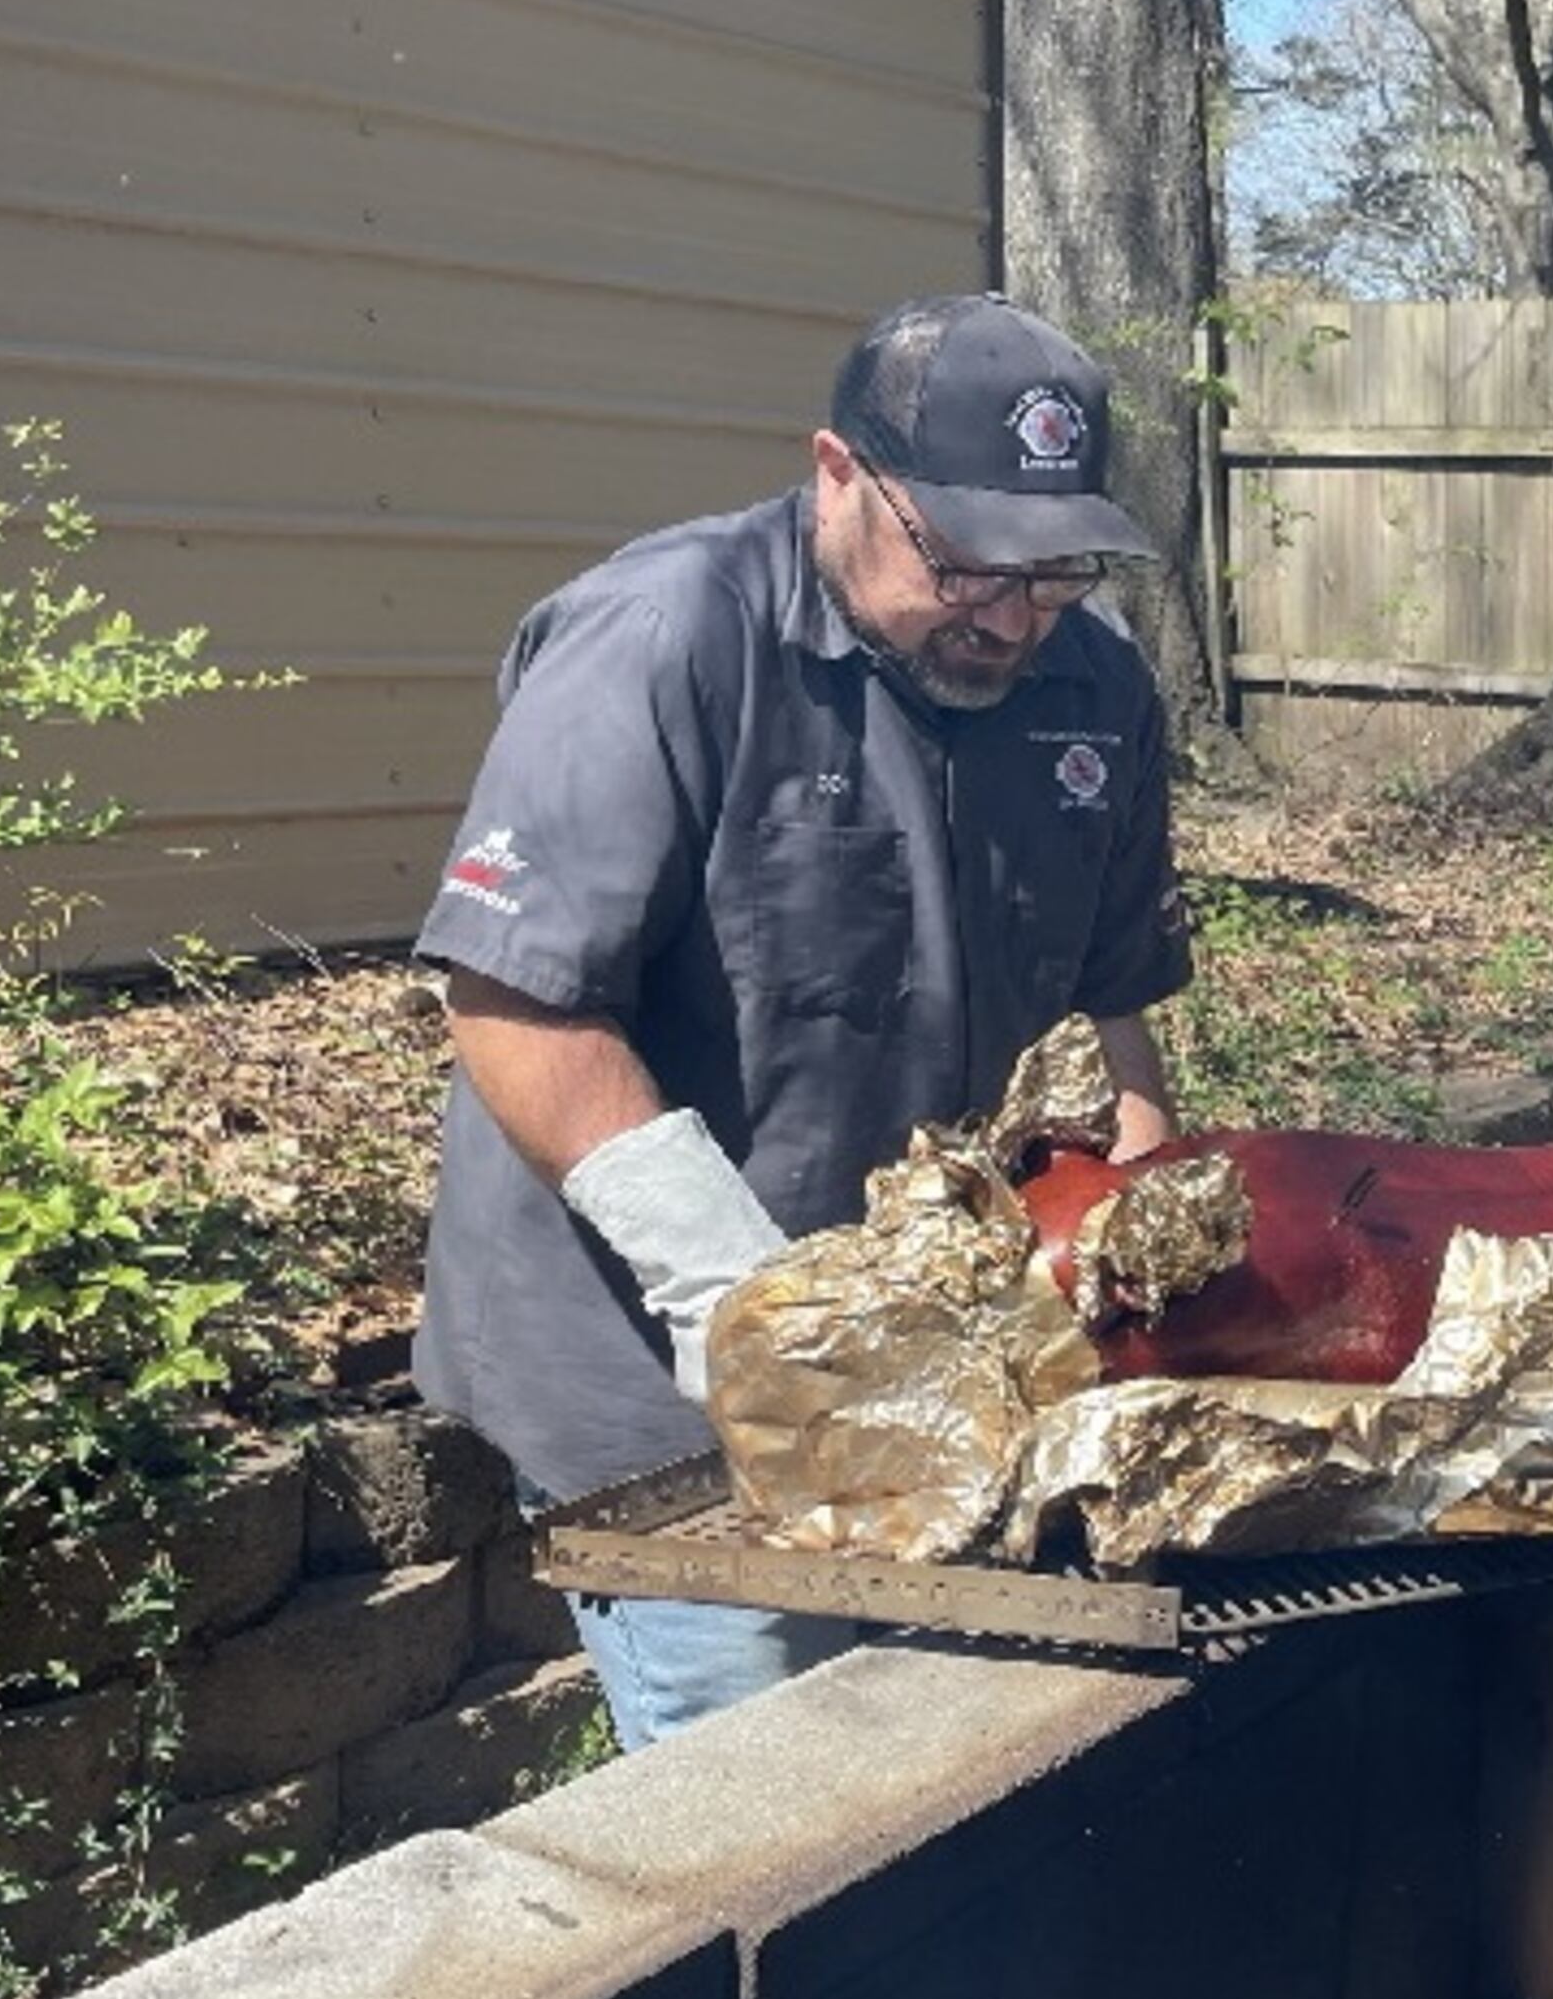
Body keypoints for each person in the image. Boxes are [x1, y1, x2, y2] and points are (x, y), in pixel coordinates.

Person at [411, 294, 1193, 1747]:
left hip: (947, 1355)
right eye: (964, 562)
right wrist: (735, 1300)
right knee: (772, 1796)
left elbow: (1114, 1016)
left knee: (950, 1771)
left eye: (1054, 569)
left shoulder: (1091, 684)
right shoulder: (666, 636)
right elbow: (513, 999)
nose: (1011, 616)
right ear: (840, 474)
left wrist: (1159, 1289)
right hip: (666, 1373)